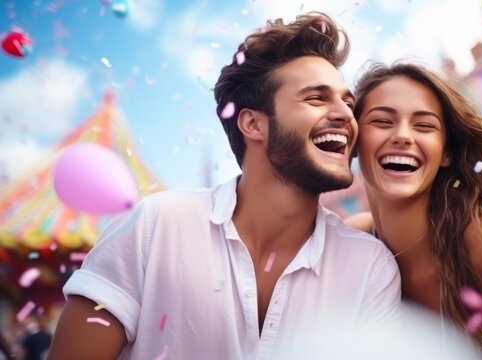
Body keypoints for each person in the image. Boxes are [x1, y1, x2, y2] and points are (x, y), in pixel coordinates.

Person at [48, 13, 400, 359]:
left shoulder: (371, 268)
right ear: (253, 124)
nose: (346, 115)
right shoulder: (154, 227)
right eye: (316, 98)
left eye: (348, 102)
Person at [345, 61, 482, 360]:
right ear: (355, 141)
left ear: (446, 152)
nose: (403, 136)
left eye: (424, 126)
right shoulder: (354, 244)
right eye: (382, 121)